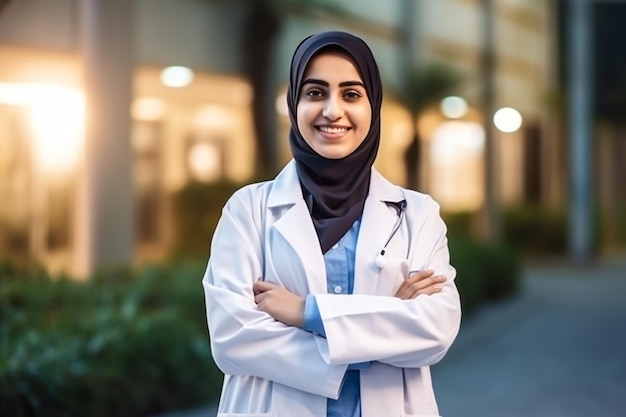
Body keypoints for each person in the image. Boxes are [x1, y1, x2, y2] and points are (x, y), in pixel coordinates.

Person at [202, 30, 461, 417]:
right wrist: (383, 325)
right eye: (315, 92)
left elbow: (435, 329)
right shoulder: (248, 210)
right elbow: (233, 337)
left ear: (373, 105)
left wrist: (307, 312)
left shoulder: (417, 213)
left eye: (351, 94)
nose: (332, 110)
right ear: (294, 102)